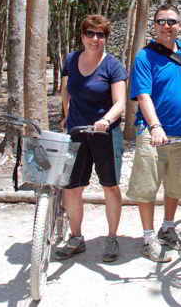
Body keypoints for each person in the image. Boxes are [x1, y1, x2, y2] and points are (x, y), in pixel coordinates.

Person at [126, 4, 181, 262]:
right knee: (147, 188)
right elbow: (143, 95)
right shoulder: (145, 57)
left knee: (176, 186)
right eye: (161, 21)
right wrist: (155, 125)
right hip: (153, 134)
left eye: (172, 21)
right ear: (155, 25)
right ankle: (149, 239)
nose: (166, 26)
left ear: (180, 25)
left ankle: (168, 228)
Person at [56, 14, 128, 263]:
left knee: (110, 186)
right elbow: (66, 89)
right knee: (73, 187)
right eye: (90, 33)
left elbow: (120, 102)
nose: (95, 39)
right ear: (82, 35)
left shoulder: (113, 66)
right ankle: (76, 237)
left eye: (101, 35)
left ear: (106, 38)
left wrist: (106, 120)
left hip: (104, 133)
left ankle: (111, 238)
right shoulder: (70, 60)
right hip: (77, 133)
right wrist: (65, 114)